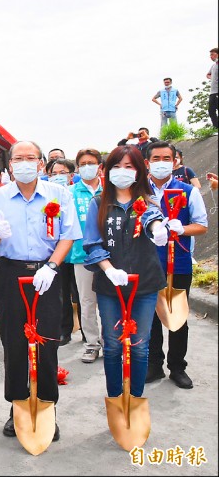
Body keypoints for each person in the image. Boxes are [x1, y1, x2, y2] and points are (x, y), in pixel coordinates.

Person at [0, 140, 81, 441]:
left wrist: (52, 266)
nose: (24, 163)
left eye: (30, 158)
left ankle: (47, 406)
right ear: (11, 164)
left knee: (47, 341)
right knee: (14, 342)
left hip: (47, 272)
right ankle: (17, 407)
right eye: (18, 158)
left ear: (40, 163)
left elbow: (68, 235)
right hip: (10, 273)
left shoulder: (59, 195)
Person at [82, 145, 168, 406]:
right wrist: (109, 270)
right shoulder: (98, 203)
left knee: (140, 345)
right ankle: (115, 398)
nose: (123, 172)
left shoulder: (147, 201)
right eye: (117, 166)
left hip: (145, 284)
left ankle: (136, 398)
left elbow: (152, 217)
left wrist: (157, 229)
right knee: (112, 344)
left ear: (139, 171)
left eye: (129, 166)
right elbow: (92, 244)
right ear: (107, 172)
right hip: (110, 286)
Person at [144, 141, 209, 389]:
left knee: (178, 317)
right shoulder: (139, 192)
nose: (162, 163)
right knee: (149, 317)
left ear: (175, 161)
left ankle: (177, 366)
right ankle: (154, 365)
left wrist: (181, 228)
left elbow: (201, 226)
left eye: (167, 158)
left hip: (178, 263)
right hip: (148, 265)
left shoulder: (187, 191)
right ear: (148, 163)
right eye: (156, 158)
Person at [65, 148, 104, 363]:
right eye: (83, 163)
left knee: (109, 301)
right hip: (82, 255)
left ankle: (111, 342)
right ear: (78, 168)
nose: (88, 166)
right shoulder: (70, 193)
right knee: (87, 302)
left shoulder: (111, 189)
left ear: (100, 166)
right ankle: (91, 343)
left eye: (92, 162)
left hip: (110, 255)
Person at [47, 159, 80, 345]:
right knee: (62, 292)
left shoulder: (76, 194)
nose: (58, 177)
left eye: (62, 173)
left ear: (71, 175)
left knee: (81, 294)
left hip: (79, 252)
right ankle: (64, 330)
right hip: (58, 254)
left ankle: (85, 330)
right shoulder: (47, 195)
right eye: (54, 173)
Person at [208, 47, 218, 129]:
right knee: (211, 111)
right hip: (212, 92)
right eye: (210, 55)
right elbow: (208, 74)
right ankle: (216, 127)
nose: (211, 56)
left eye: (212, 54)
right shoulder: (213, 65)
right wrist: (213, 77)